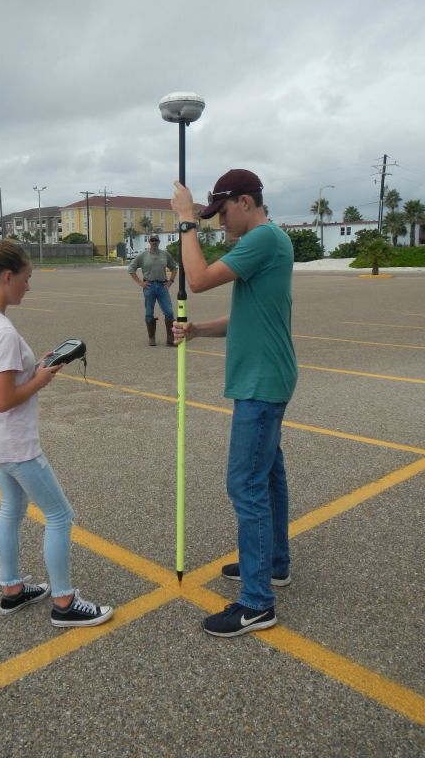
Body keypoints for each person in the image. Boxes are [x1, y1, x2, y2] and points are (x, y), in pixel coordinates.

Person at [0, 239, 113, 628]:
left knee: (13, 510)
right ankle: (65, 602)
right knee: (60, 514)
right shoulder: (1, 331)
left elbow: (0, 384)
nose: (29, 286)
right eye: (26, 278)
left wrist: (34, 370)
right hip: (16, 443)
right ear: (7, 278)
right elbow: (4, 398)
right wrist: (40, 378)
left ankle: (12, 590)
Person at [171, 169, 298, 638]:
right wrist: (199, 330)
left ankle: (257, 601)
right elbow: (251, 314)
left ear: (246, 202)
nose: (220, 223)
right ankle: (273, 564)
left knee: (245, 484)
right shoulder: (269, 243)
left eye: (222, 213)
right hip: (268, 375)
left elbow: (199, 279)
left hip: (260, 383)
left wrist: (186, 221)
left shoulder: (263, 239)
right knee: (267, 477)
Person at [128, 234, 177, 346]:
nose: (154, 242)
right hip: (149, 287)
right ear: (149, 242)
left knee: (169, 312)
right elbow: (131, 269)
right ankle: (151, 338)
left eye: (156, 240)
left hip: (162, 287)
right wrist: (140, 283)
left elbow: (174, 268)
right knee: (149, 313)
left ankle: (170, 339)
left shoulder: (165, 254)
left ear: (159, 242)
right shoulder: (143, 256)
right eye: (152, 240)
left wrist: (171, 281)